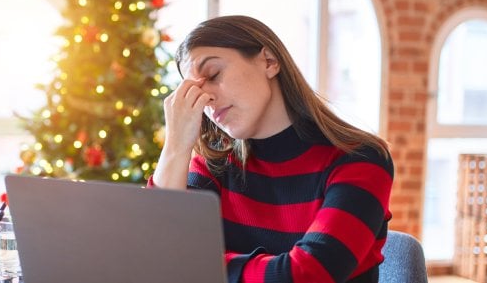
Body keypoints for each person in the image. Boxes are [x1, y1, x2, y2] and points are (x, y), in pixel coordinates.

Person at [149, 15, 394, 283]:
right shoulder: (214, 163)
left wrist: (199, 264)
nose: (206, 99)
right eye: (193, 91)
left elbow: (308, 275)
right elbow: (156, 255)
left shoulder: (361, 160)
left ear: (269, 61)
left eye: (213, 74)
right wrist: (175, 144)